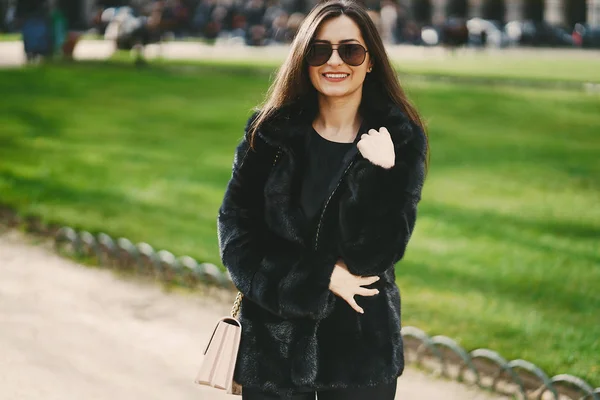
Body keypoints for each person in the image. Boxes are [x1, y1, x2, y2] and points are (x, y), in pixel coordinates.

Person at [217, 0, 428, 399]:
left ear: (370, 62)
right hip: (273, 351)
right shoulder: (269, 134)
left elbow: (374, 254)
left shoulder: (398, 138)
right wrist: (321, 277)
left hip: (358, 353)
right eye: (320, 49)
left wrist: (379, 175)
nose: (335, 61)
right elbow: (238, 237)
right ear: (303, 59)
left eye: (350, 49)